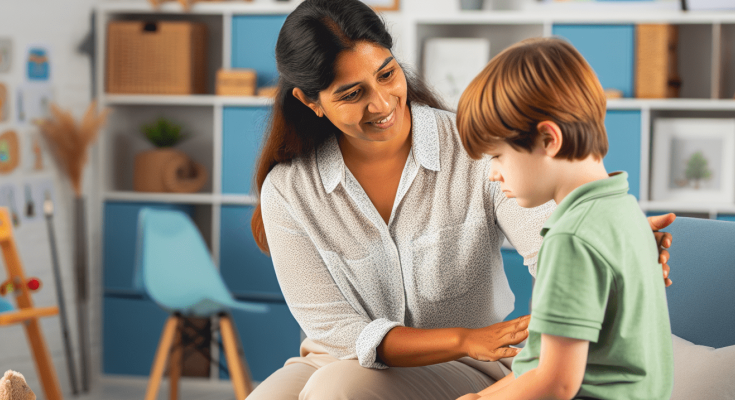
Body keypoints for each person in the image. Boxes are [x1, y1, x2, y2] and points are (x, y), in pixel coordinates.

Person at [247, 1, 674, 398]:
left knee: (338, 389)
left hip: (470, 363)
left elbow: (550, 243)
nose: (382, 103)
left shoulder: (476, 146)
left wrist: (613, 246)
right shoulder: (288, 189)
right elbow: (335, 328)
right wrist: (463, 335)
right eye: (352, 94)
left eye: (386, 74)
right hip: (342, 355)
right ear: (310, 102)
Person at [454, 38, 673, 400]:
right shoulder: (624, 211)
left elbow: (556, 382)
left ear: (547, 139)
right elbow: (540, 365)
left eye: (497, 156)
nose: (492, 174)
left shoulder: (571, 237)